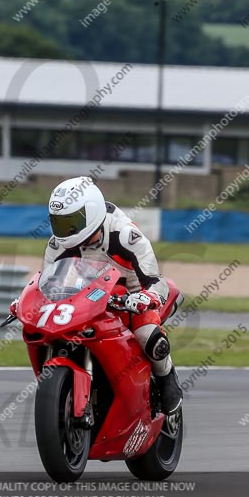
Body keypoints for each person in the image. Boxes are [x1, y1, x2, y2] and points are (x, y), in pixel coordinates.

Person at [45, 176, 183, 415]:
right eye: (59, 223)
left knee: (147, 334)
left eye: (73, 222)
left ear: (92, 213)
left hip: (131, 293)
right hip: (86, 295)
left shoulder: (125, 235)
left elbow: (155, 282)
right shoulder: (58, 244)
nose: (66, 230)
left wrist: (145, 298)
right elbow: (47, 285)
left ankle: (166, 378)